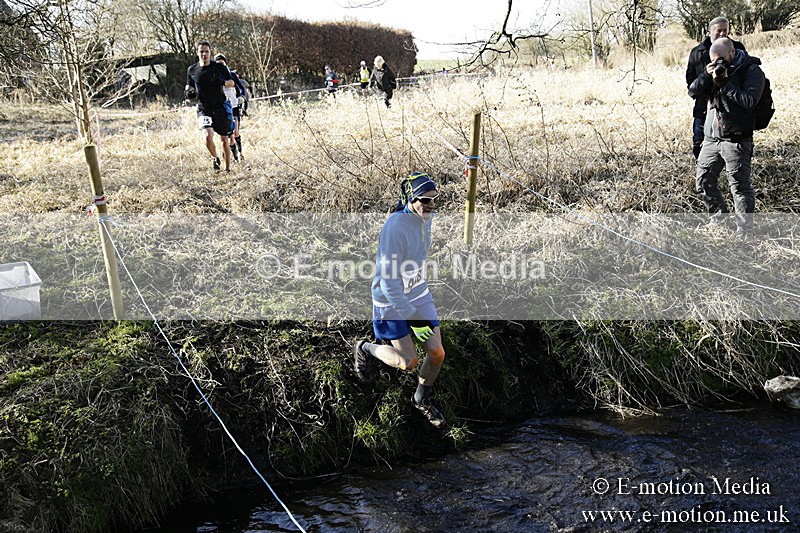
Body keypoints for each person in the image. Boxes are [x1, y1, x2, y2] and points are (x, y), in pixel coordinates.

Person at [354, 172, 448, 429]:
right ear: (409, 199)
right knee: (408, 362)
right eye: (424, 200)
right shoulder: (395, 228)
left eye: (434, 199)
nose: (430, 205)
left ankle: (421, 399)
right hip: (390, 299)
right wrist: (411, 315)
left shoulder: (425, 216)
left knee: (437, 353)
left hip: (418, 292)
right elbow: (388, 280)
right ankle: (365, 348)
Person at [688, 37, 765, 239]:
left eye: (721, 59)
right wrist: (707, 74)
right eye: (714, 60)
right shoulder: (712, 69)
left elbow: (749, 101)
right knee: (704, 182)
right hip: (711, 139)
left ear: (732, 52)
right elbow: (693, 91)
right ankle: (719, 220)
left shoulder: (751, 70)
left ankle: (745, 233)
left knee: (740, 188)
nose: (719, 63)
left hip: (737, 139)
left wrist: (726, 83)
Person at [686, 17, 746, 160]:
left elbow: (745, 76)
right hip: (703, 107)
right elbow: (690, 83)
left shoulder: (737, 49)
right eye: (718, 30)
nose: (722, 34)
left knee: (734, 149)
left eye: (725, 30)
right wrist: (706, 75)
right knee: (699, 147)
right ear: (709, 32)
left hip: (731, 107)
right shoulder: (697, 52)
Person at [185, 40, 236, 172]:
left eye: (206, 51)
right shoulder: (192, 70)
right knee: (207, 136)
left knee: (224, 140)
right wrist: (188, 93)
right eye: (201, 51)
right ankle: (215, 158)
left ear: (210, 52)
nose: (204, 54)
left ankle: (228, 169)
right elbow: (188, 86)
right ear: (197, 53)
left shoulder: (219, 67)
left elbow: (232, 82)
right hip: (204, 108)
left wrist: (221, 82)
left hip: (220, 107)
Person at [214, 54, 246, 162]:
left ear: (226, 63)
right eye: (218, 64)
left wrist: (242, 96)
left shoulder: (231, 75)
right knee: (230, 136)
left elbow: (241, 88)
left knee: (236, 132)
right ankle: (235, 157)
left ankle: (241, 153)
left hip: (234, 106)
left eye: (222, 64)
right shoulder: (215, 78)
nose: (221, 66)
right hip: (223, 107)